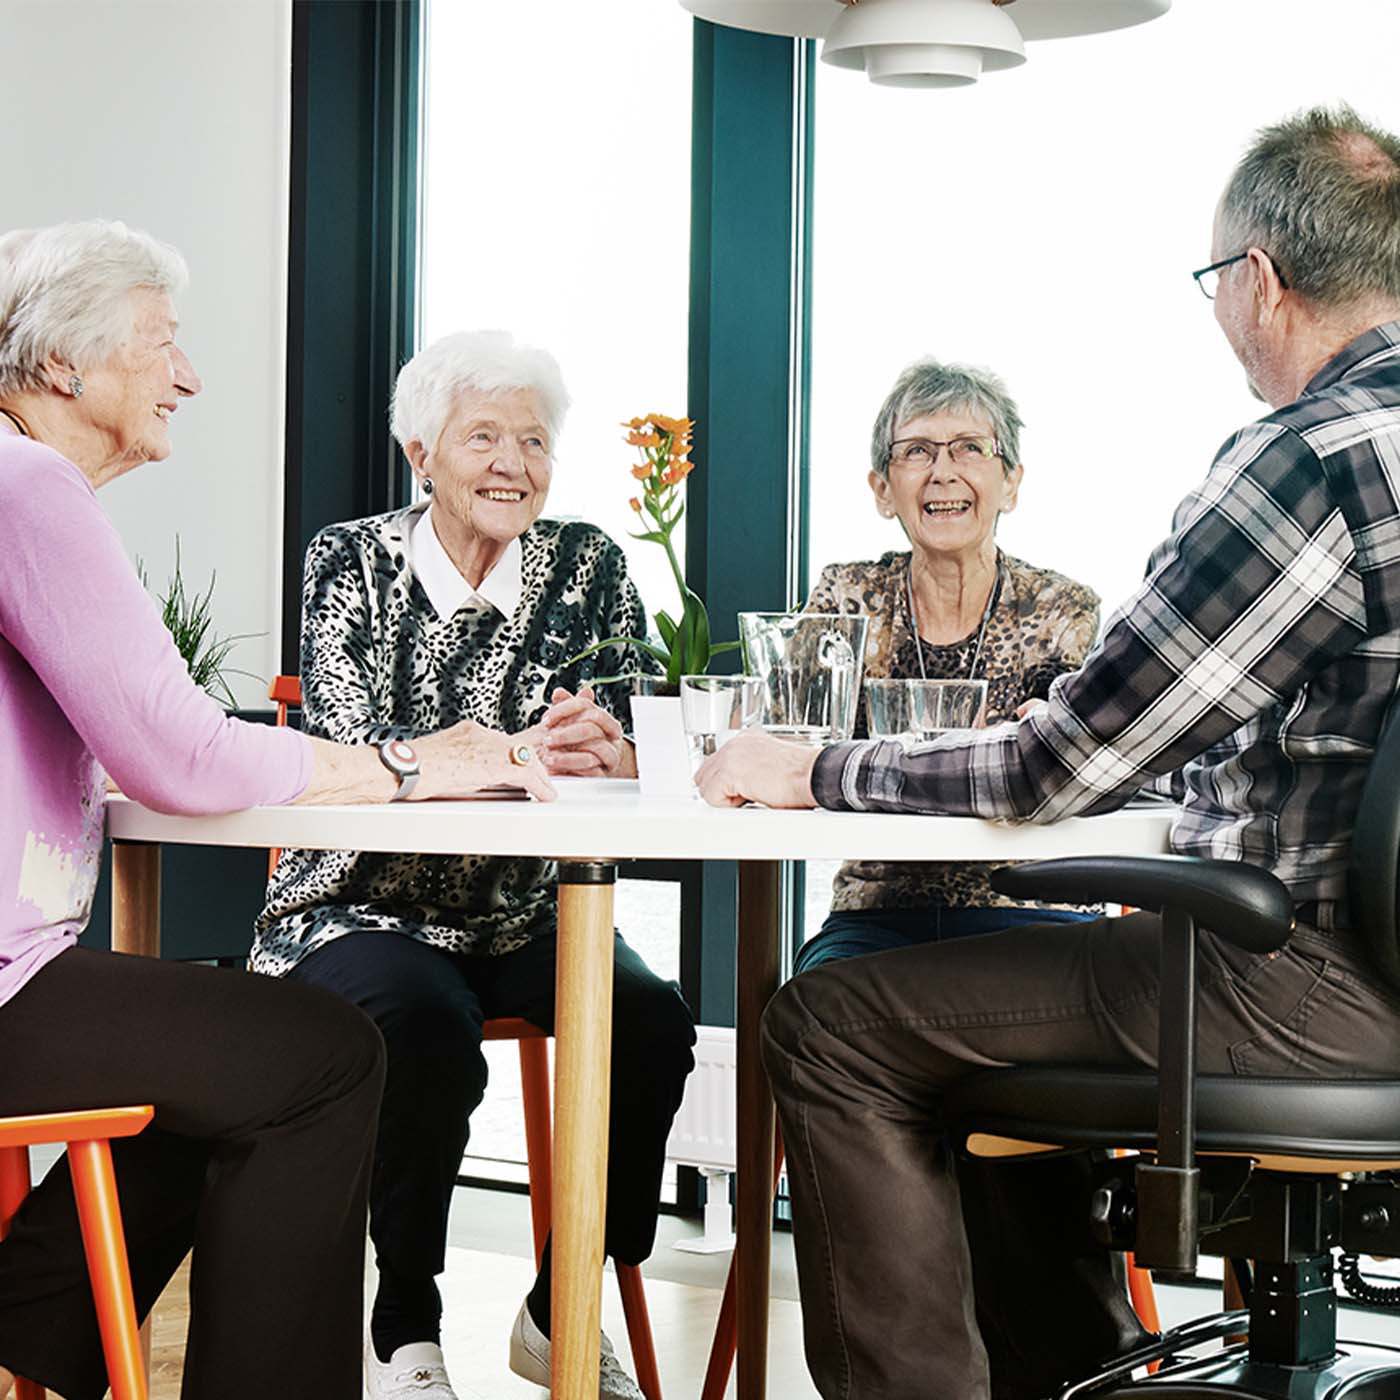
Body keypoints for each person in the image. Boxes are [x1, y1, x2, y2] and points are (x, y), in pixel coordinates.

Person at [696, 104, 1400, 1400]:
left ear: (1258, 279)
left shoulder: (1307, 461)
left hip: (1306, 979)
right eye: (917, 451)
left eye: (1213, 278)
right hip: (1369, 975)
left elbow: (1056, 766)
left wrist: (816, 768)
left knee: (826, 1025)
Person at [0, 222, 554, 1400]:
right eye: (161, 343)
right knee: (322, 1053)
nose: (188, 375)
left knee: (232, 1046)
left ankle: (20, 1324)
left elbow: (137, 746)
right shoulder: (28, 484)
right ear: (60, 365)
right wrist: (408, 765)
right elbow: (182, 756)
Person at [251, 330, 697, 1400]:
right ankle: (403, 1324)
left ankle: (561, 1305)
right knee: (424, 1026)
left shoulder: (587, 563)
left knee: (648, 1021)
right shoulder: (349, 560)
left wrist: (614, 750)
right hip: (355, 903)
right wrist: (515, 752)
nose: (512, 463)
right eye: (482, 436)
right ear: (421, 453)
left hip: (523, 907)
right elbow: (356, 747)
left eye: (533, 440)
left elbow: (628, 733)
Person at [797, 359, 1100, 974]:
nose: (943, 472)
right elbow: (787, 742)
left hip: (1032, 904)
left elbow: (1064, 770)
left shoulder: (1060, 609)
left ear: (1010, 482)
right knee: (809, 1003)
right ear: (882, 489)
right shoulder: (848, 599)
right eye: (916, 451)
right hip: (879, 910)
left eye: (969, 448)